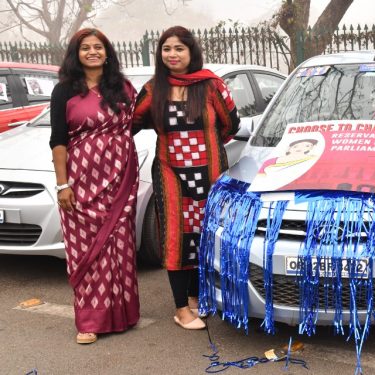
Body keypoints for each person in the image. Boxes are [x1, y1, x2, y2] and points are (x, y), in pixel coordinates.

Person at [133, 26, 240, 330]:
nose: (172, 54)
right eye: (167, 48)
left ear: (191, 52)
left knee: (204, 235)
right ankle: (181, 308)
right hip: (171, 175)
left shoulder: (210, 85)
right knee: (177, 237)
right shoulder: (154, 89)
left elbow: (231, 124)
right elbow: (131, 121)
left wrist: (205, 148)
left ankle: (195, 298)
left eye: (179, 48)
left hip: (209, 175)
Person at [49, 28, 139, 344]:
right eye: (85, 47)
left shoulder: (123, 88)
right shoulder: (64, 91)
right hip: (81, 182)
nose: (92, 52)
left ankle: (123, 315)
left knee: (119, 244)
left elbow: (139, 123)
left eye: (97, 47)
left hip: (119, 178)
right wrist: (63, 185)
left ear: (107, 52)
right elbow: (58, 141)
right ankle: (89, 320)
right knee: (87, 248)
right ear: (76, 54)